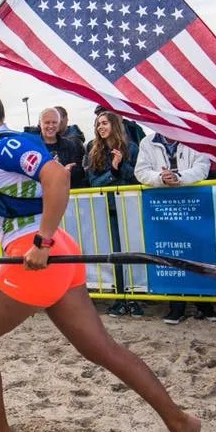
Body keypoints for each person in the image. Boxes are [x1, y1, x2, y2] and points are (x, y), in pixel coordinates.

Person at [0, 68, 201, 432]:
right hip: (57, 256)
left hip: (36, 254)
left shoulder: (6, 147)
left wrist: (43, 242)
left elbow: (57, 178)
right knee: (101, 349)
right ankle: (179, 421)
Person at [134, 131, 216, 325]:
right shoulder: (147, 142)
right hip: (164, 206)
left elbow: (202, 167)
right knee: (170, 251)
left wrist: (178, 176)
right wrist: (161, 178)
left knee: (199, 251)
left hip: (194, 201)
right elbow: (141, 171)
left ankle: (204, 304)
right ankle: (176, 305)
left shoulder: (194, 137)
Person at [83, 111, 141, 317]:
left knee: (131, 251)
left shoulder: (131, 148)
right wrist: (112, 173)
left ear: (114, 125)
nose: (101, 127)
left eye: (105, 123)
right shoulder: (92, 149)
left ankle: (134, 298)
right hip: (104, 209)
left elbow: (136, 179)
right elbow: (92, 181)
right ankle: (118, 297)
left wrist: (121, 166)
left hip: (128, 207)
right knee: (113, 253)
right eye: (98, 124)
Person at [36, 107, 87, 188]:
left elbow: (80, 174)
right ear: (40, 123)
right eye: (47, 122)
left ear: (59, 123)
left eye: (54, 122)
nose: (51, 126)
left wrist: (65, 173)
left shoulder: (71, 145)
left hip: (66, 195)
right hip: (41, 197)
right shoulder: (32, 146)